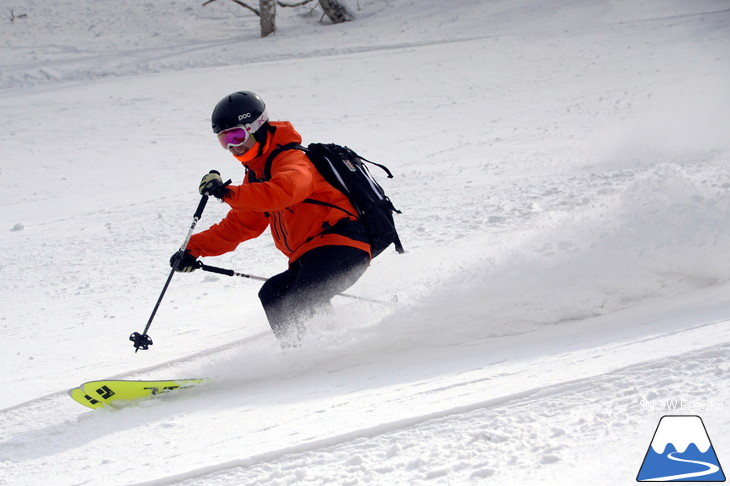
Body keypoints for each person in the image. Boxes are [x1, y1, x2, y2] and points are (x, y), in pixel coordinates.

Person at [170, 91, 371, 347]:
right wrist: (192, 250)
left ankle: (320, 351)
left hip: (342, 244)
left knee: (301, 298)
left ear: (256, 128)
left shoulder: (294, 160)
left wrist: (226, 192)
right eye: (224, 140)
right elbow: (241, 225)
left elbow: (285, 192)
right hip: (310, 254)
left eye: (236, 136)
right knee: (274, 294)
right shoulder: (257, 173)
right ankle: (305, 350)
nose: (233, 146)